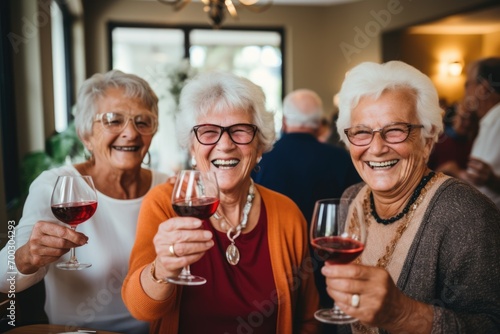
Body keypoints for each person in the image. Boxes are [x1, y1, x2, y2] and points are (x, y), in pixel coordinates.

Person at [122, 71, 320, 333]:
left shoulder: (287, 213)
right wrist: (162, 268)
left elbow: (308, 320)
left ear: (260, 146)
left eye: (240, 130)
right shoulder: (164, 204)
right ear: (192, 147)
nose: (225, 145)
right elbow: (141, 309)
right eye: (208, 132)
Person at [321, 60, 500, 333]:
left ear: (428, 140)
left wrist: (403, 314)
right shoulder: (351, 200)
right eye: (362, 132)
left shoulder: (467, 214)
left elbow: (491, 324)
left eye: (395, 130)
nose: (377, 148)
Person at [0, 70, 168, 333]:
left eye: (142, 122)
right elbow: (4, 278)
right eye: (113, 120)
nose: (131, 133)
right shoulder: (54, 185)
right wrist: (26, 256)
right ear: (86, 134)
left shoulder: (168, 188)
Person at [252, 88, 360, 310]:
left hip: (273, 268)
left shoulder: (260, 159)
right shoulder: (342, 160)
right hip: (330, 273)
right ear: (319, 123)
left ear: (284, 121)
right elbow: (357, 216)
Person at [450, 57, 500, 208]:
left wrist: (493, 181)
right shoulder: (487, 121)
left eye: (467, 85)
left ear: (482, 88)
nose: (465, 92)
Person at [427, 101, 479, 175]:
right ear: (454, 117)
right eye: (463, 118)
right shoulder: (438, 140)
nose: (467, 123)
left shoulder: (472, 146)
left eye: (471, 119)